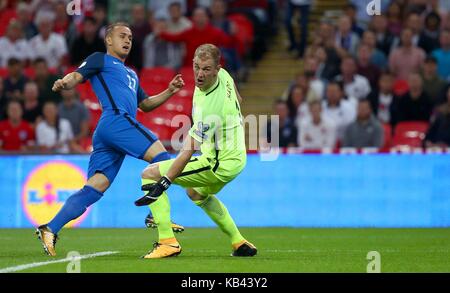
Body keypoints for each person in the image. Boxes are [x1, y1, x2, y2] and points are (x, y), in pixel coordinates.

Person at [35, 22, 184, 257]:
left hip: (109, 132)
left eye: (131, 37)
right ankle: (154, 215)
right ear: (108, 40)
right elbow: (76, 75)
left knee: (96, 187)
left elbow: (144, 105)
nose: (127, 40)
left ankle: (50, 228)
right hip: (116, 121)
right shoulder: (100, 59)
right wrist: (65, 83)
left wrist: (170, 91)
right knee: (164, 158)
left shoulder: (132, 74)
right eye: (122, 36)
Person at [134, 44, 257, 258]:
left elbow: (188, 150)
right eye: (197, 67)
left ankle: (167, 242)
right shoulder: (225, 75)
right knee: (196, 192)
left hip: (218, 162)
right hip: (236, 158)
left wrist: (164, 183)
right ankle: (239, 242)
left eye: (207, 69)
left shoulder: (211, 108)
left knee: (149, 174)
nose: (200, 74)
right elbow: (238, 98)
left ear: (217, 69)